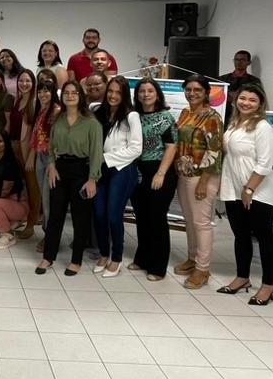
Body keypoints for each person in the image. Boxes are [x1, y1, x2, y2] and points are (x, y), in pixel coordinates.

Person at [219, 84, 273, 305]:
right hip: (234, 188)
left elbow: (265, 162)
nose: (246, 103)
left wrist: (249, 189)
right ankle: (242, 277)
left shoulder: (262, 127)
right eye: (243, 98)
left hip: (257, 191)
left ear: (260, 104)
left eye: (252, 100)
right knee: (241, 235)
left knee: (264, 238)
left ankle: (268, 286)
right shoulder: (234, 123)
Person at [37, 81, 103, 276]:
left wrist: (92, 179)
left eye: (74, 92)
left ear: (80, 96)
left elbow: (96, 153)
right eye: (66, 92)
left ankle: (76, 260)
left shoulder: (91, 123)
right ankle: (48, 257)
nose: (70, 95)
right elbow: (51, 146)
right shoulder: (58, 119)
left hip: (82, 171)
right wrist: (51, 164)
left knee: (79, 218)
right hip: (60, 170)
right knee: (55, 215)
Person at [174, 74, 224, 289]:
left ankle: (203, 270)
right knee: (189, 220)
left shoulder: (212, 117)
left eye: (197, 90)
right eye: (188, 89)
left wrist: (204, 181)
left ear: (206, 93)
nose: (192, 93)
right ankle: (192, 259)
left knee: (202, 223)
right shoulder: (185, 113)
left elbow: (215, 150)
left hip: (203, 176)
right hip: (184, 174)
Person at [91, 76, 142, 278]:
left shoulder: (131, 116)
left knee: (113, 215)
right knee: (99, 214)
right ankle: (104, 253)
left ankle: (117, 258)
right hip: (100, 170)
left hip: (122, 170)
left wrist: (105, 158)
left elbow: (136, 149)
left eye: (118, 92)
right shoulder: (98, 112)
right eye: (110, 91)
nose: (113, 95)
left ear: (124, 95)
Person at [130, 78, 178, 281]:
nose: (146, 95)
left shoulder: (165, 117)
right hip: (137, 171)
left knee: (156, 219)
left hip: (159, 171)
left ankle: (158, 267)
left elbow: (171, 146)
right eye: (142, 91)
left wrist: (160, 173)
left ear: (157, 94)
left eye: (150, 91)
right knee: (141, 217)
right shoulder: (133, 116)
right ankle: (142, 258)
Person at [27, 81, 61, 251]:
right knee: (44, 198)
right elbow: (36, 134)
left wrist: (53, 162)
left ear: (53, 92)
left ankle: (51, 238)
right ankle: (48, 234)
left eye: (46, 91)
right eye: (40, 91)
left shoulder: (56, 110)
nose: (42, 94)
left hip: (50, 159)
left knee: (48, 201)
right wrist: (32, 155)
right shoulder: (41, 109)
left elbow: (57, 138)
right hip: (40, 156)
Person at [9, 70, 40, 240]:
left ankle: (31, 224)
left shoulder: (34, 103)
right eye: (21, 81)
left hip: (28, 151)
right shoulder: (18, 100)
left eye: (27, 81)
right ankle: (24, 218)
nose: (24, 84)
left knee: (33, 189)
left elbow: (37, 133)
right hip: (15, 148)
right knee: (24, 187)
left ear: (33, 83)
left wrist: (31, 156)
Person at [219, 50, 262, 123]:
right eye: (237, 59)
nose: (239, 62)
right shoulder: (222, 79)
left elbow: (257, 99)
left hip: (245, 117)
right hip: (224, 117)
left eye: (242, 60)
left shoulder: (254, 81)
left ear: (248, 62)